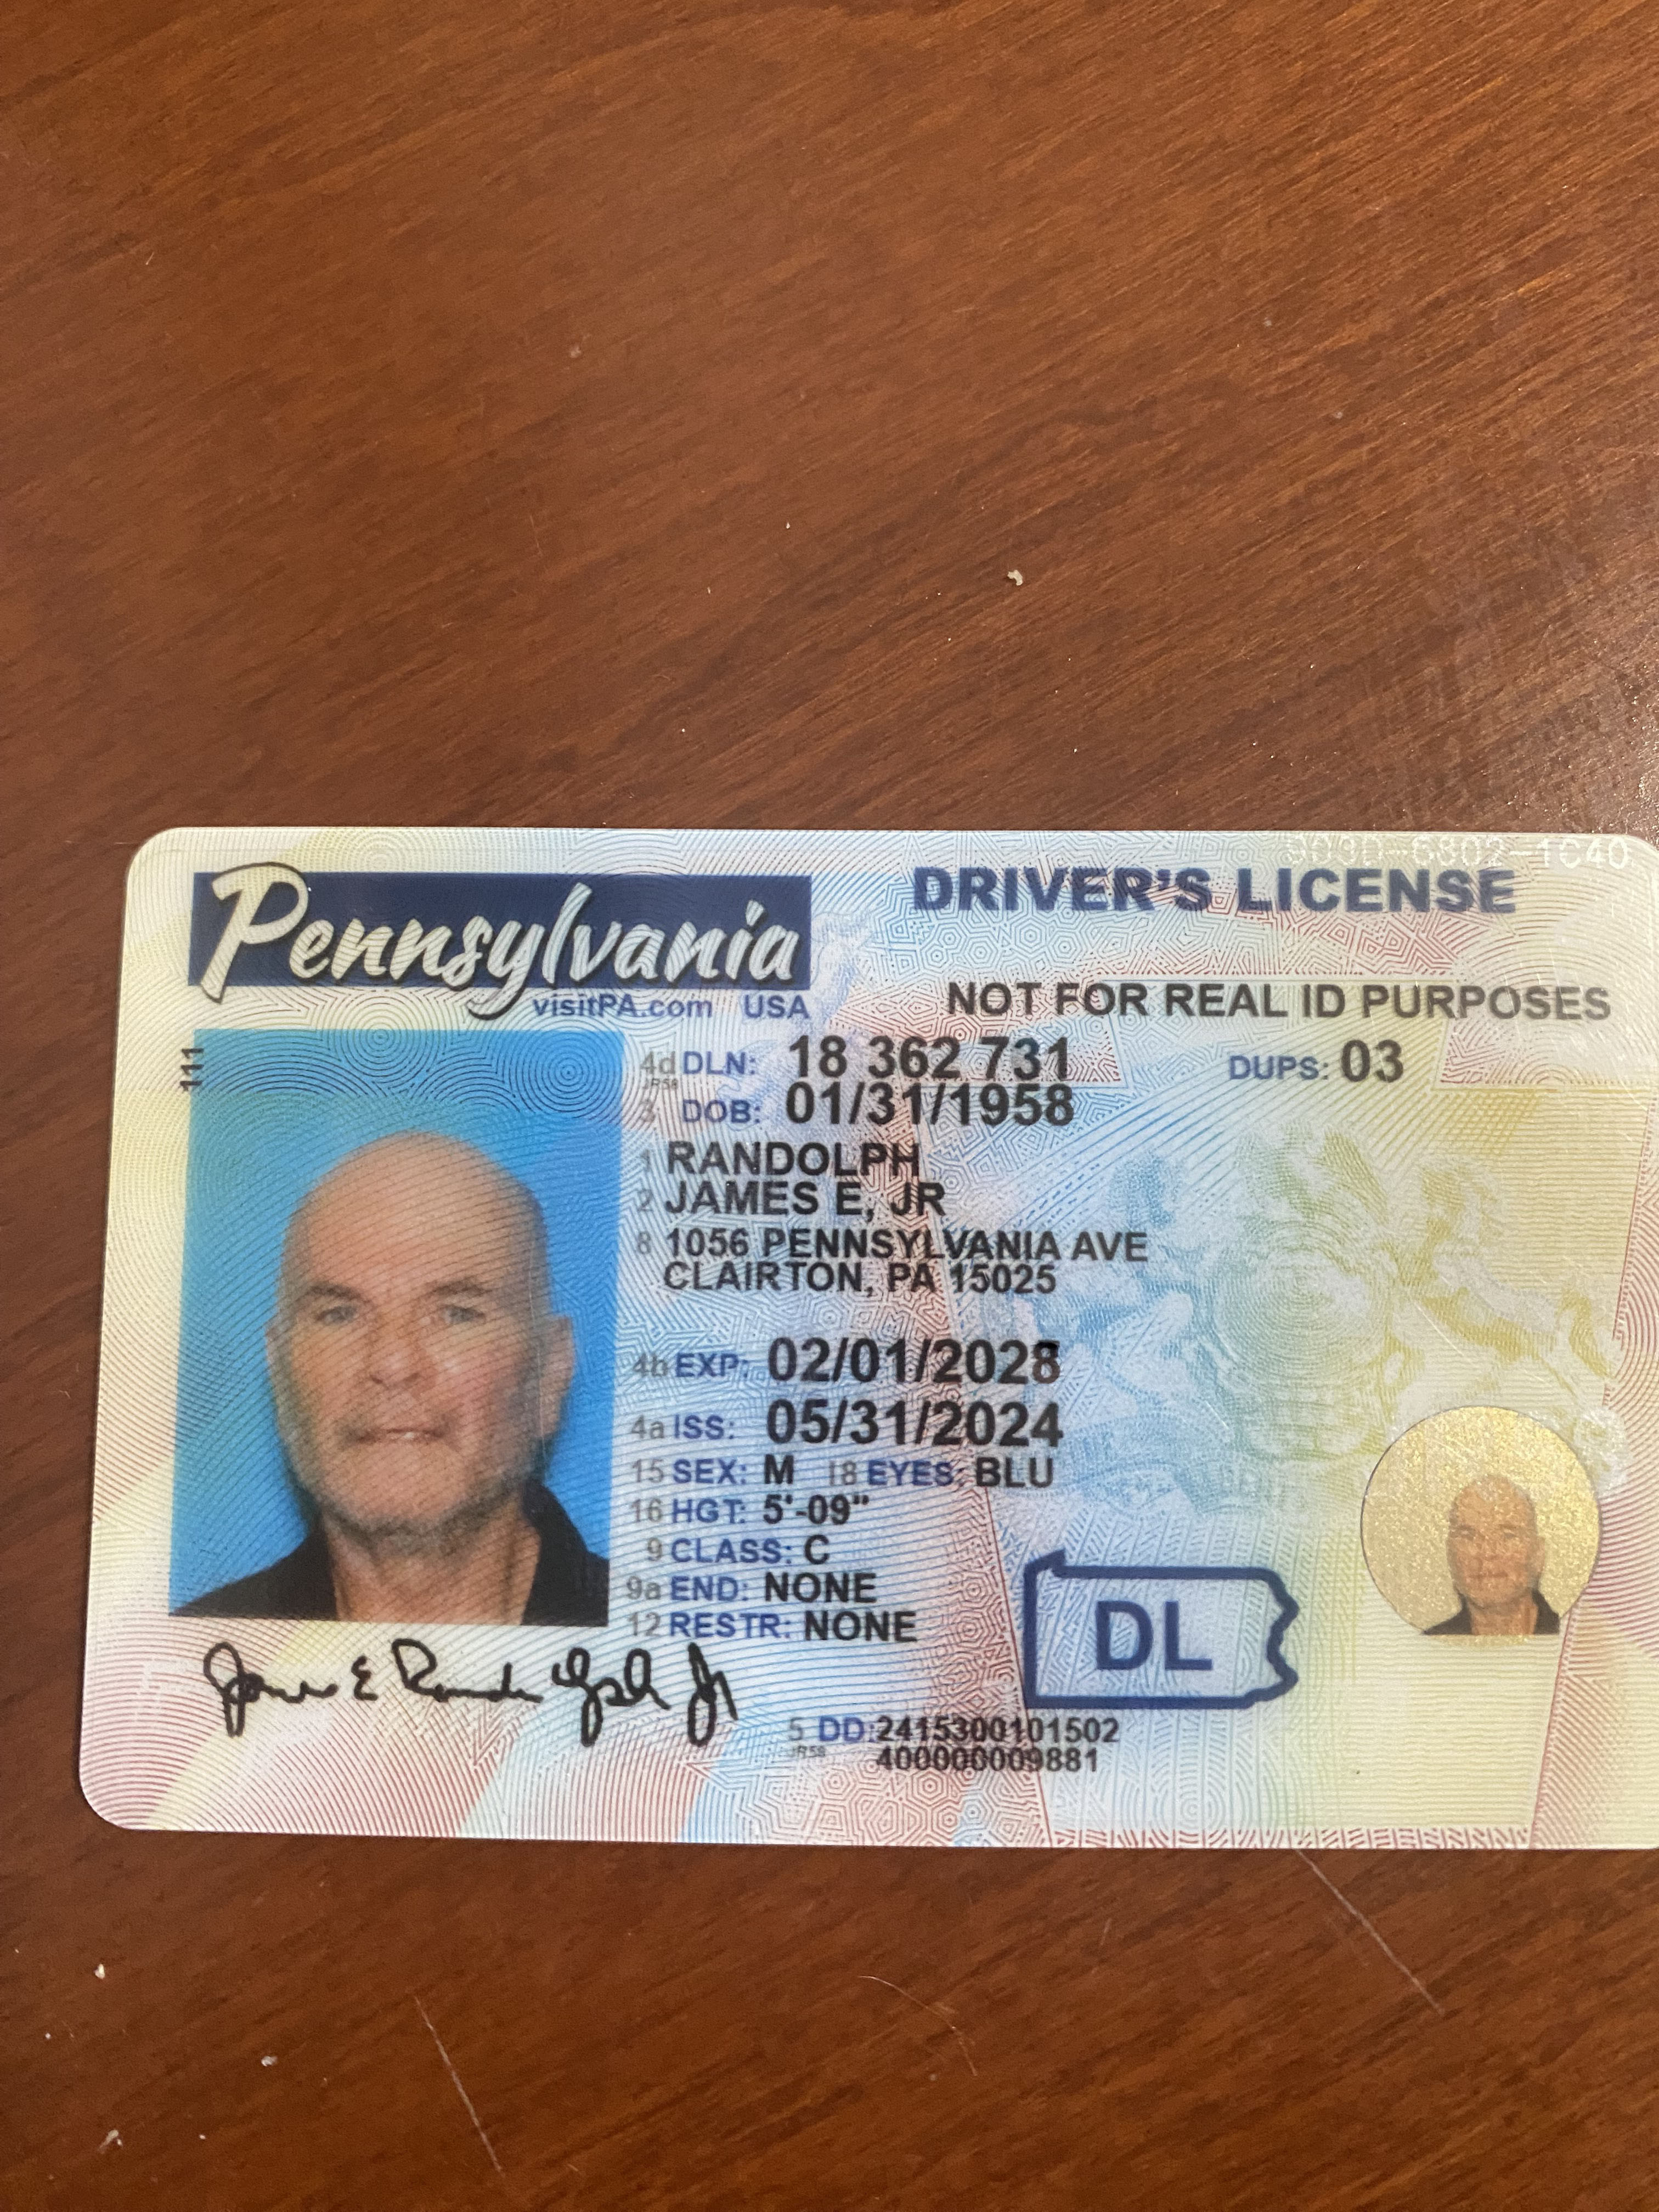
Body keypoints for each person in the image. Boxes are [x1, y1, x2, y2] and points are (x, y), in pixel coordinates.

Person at [178, 1132, 607, 1626]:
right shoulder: (183, 1652)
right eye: (340, 1315)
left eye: (456, 1314)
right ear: (280, 1374)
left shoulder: (667, 1648)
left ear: (550, 1373)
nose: (393, 1363)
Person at [1424, 1474, 1558, 1637]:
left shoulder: (1573, 1636)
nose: (1486, 1553)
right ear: (1451, 1554)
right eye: (1468, 1536)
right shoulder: (1428, 1645)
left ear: (1538, 1554)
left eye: (1507, 1536)